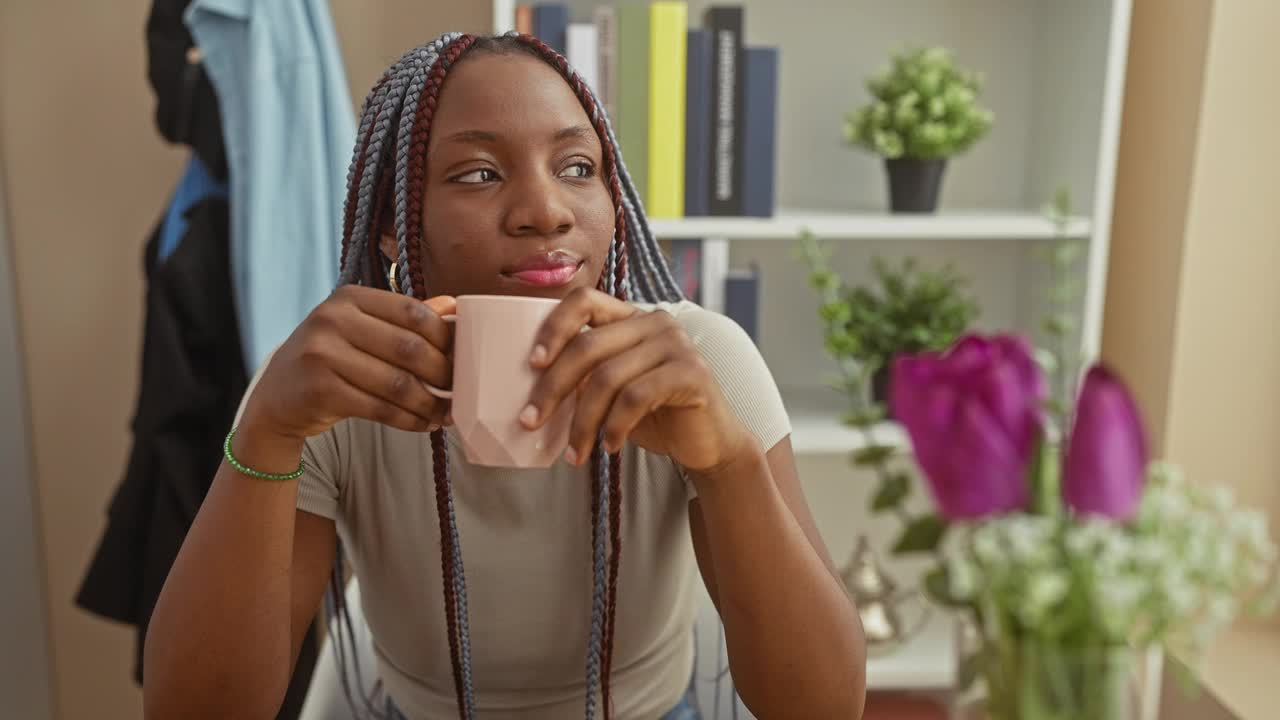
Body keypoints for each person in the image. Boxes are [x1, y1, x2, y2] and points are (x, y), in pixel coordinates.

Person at [143, 32, 867, 720]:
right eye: (480, 173)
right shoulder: (334, 386)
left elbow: (823, 707)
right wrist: (267, 434)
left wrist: (728, 461)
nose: (546, 211)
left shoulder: (699, 362)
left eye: (577, 168)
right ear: (395, 225)